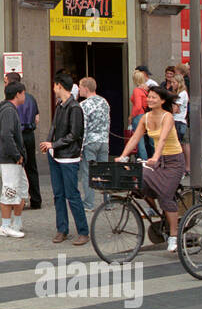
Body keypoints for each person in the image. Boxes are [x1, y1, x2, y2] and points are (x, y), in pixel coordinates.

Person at [117, 84, 184, 251]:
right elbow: (134, 138)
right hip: (159, 161)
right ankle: (160, 216)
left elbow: (161, 139)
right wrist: (123, 156)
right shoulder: (145, 117)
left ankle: (174, 236)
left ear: (162, 100)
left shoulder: (167, 116)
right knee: (139, 179)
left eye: (154, 97)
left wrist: (154, 156)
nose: (150, 99)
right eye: (149, 96)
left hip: (174, 162)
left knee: (166, 196)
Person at [42, 71, 89, 246]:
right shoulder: (61, 105)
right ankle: (62, 229)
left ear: (59, 85)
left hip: (69, 157)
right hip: (56, 155)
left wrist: (53, 144)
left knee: (72, 195)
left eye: (54, 85)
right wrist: (49, 143)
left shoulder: (75, 108)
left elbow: (75, 134)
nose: (53, 88)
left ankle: (83, 231)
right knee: (58, 195)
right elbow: (54, 127)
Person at [0, 81, 29, 238]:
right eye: (23, 93)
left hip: (13, 158)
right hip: (9, 159)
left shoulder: (9, 110)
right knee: (9, 191)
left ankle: (17, 222)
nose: (25, 96)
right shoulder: (9, 111)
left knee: (21, 188)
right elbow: (6, 135)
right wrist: (16, 155)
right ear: (17, 94)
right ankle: (5, 225)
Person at [77, 76, 110, 211]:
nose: (78, 90)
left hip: (90, 142)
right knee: (105, 172)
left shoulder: (84, 105)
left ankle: (89, 203)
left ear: (85, 88)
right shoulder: (104, 102)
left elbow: (83, 127)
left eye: (80, 87)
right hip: (103, 141)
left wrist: (79, 148)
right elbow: (108, 122)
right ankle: (107, 202)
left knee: (88, 173)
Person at [16, 79, 43, 208]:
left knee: (16, 168)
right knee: (31, 167)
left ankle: (18, 200)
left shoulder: (12, 101)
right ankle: (36, 199)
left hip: (18, 135)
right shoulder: (31, 98)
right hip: (29, 135)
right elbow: (37, 118)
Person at [129, 69, 151, 160]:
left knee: (139, 141)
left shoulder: (137, 90)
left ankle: (143, 162)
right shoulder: (145, 90)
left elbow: (137, 106)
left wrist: (131, 116)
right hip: (145, 115)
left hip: (138, 116)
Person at [170, 73, 189, 143]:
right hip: (178, 121)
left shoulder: (182, 94)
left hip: (178, 121)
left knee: (177, 143)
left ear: (179, 83)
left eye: (174, 82)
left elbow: (175, 109)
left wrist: (172, 109)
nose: (172, 84)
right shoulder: (178, 93)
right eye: (171, 82)